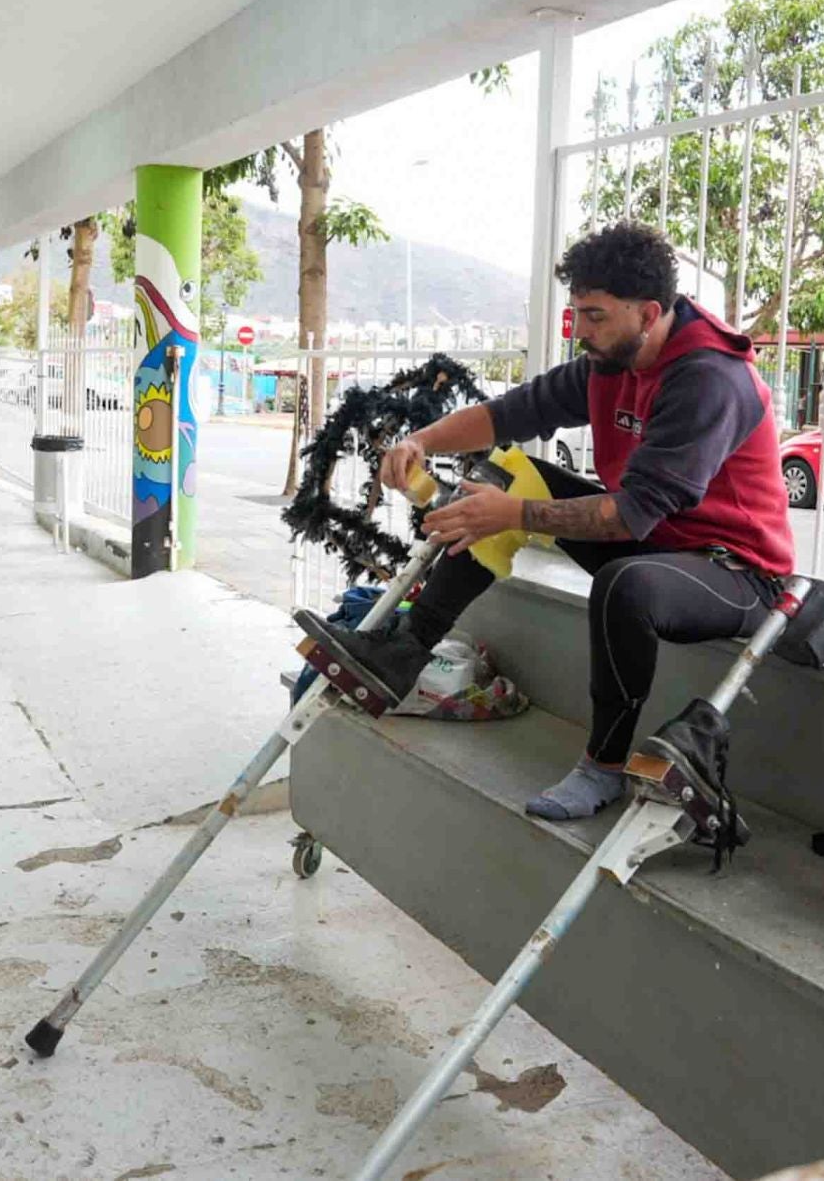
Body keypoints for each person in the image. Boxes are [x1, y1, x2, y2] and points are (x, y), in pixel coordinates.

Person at [297, 222, 794, 824]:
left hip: (734, 571)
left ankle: (602, 767)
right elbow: (510, 413)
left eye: (595, 315)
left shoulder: (710, 380)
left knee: (624, 582)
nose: (579, 329)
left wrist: (509, 516)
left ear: (649, 313)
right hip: (654, 542)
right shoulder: (611, 360)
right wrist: (420, 441)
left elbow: (631, 515)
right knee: (510, 475)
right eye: (576, 312)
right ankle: (400, 654)